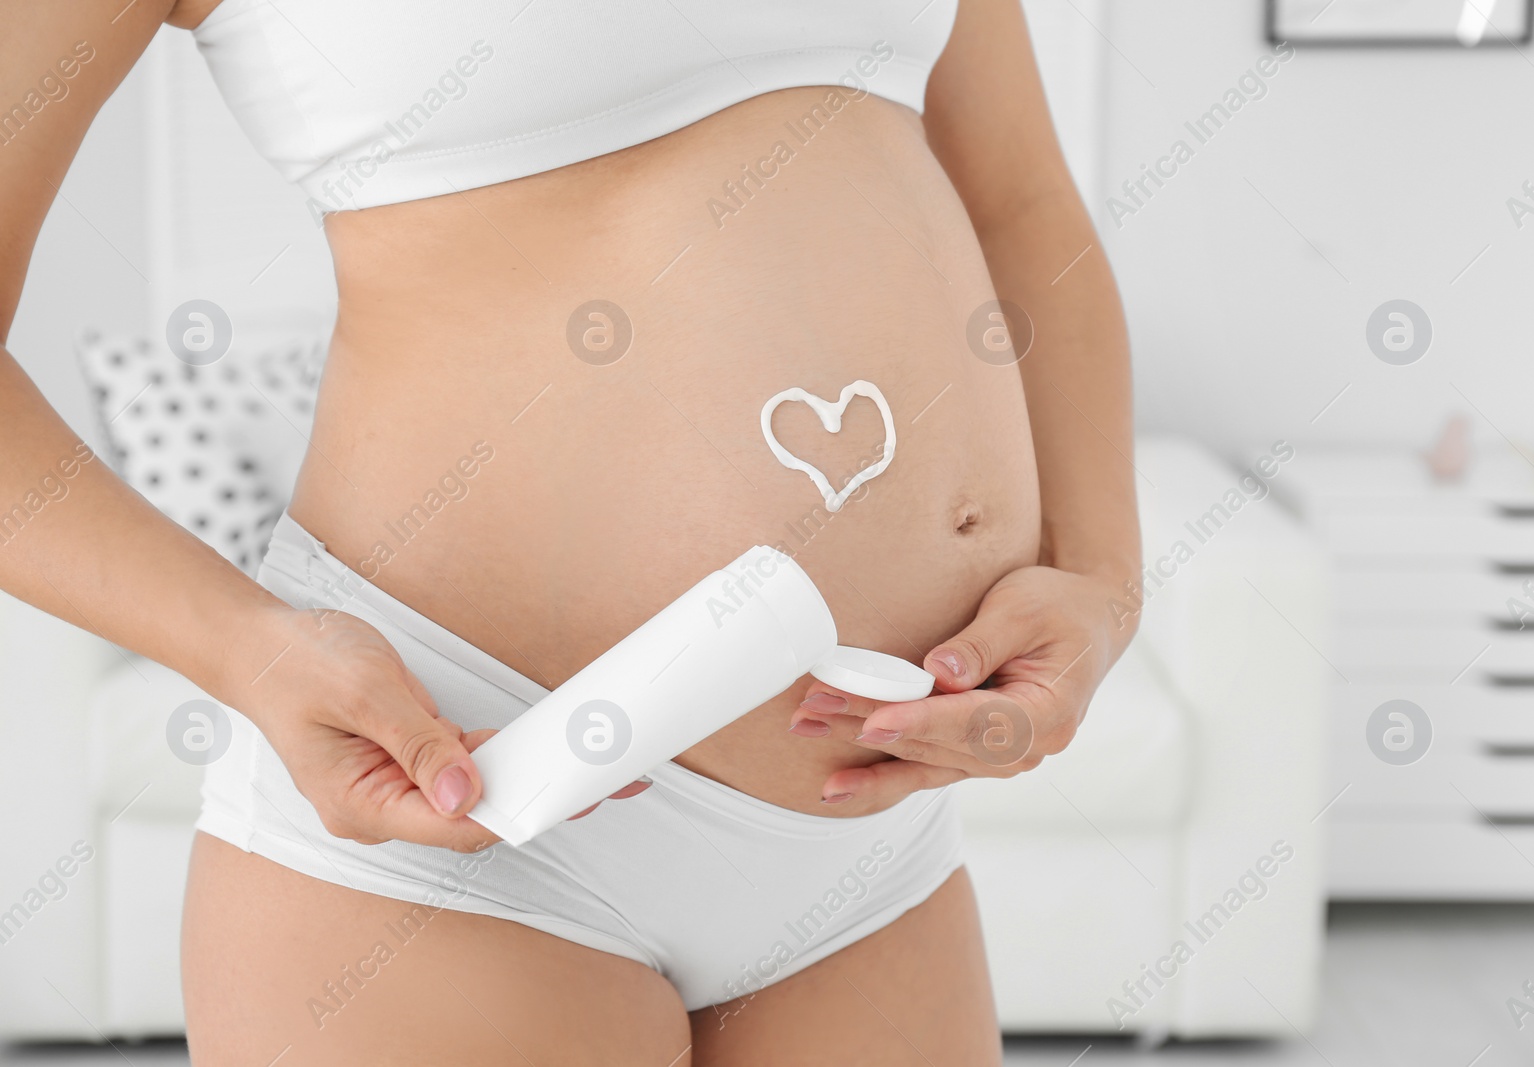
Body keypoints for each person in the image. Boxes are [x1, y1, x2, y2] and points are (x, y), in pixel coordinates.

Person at [0, 0, 1139, 1062]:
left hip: (870, 836)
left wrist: (1103, 577)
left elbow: (1020, 206)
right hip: (457, 794)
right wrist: (247, 646)